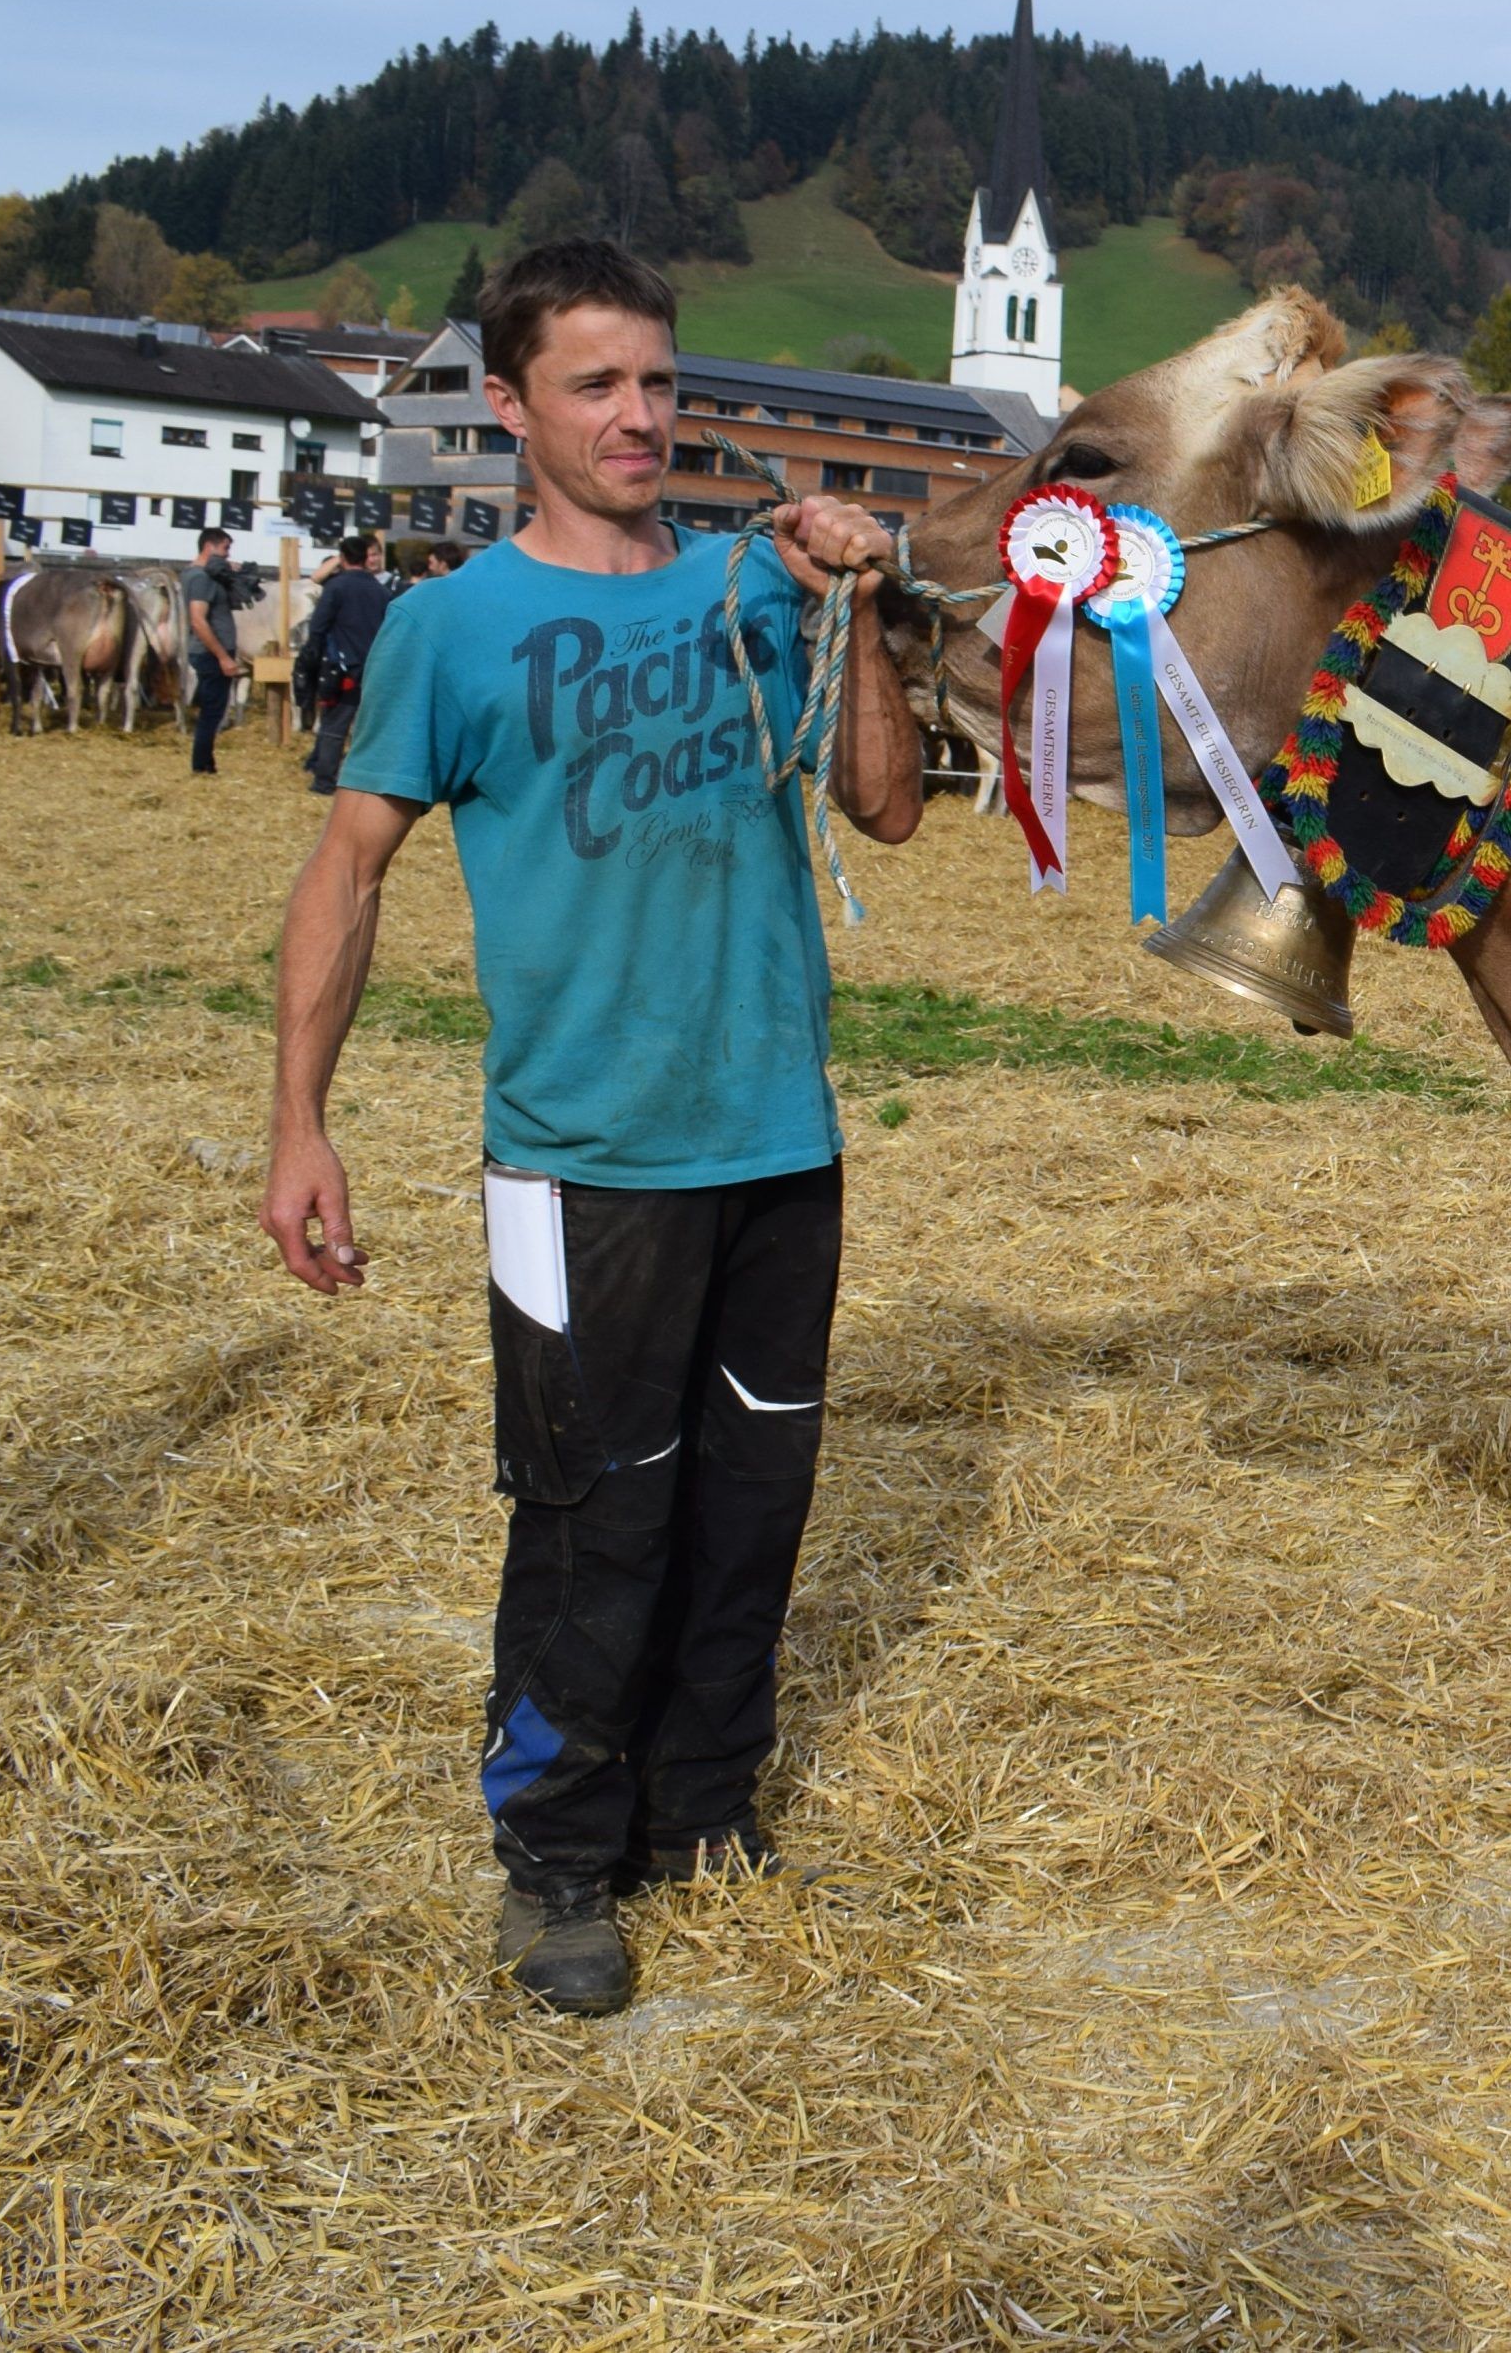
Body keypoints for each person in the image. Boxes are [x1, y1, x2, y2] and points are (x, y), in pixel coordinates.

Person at [258, 238, 926, 2018]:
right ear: (509, 403)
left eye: (658, 381)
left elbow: (887, 806)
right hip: (577, 1158)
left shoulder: (749, 587)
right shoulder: (450, 629)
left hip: (777, 1136)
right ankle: (555, 1855)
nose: (640, 416)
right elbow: (347, 873)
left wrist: (852, 603)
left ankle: (705, 1814)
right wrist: (297, 1126)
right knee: (589, 1511)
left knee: (753, 1496)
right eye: (595, 385)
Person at [295, 531, 391, 797]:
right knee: (368, 728)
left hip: (342, 668)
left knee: (334, 726)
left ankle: (324, 780)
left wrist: (310, 662)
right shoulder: (381, 591)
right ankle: (366, 781)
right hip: (374, 668)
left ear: (344, 558)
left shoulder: (336, 587)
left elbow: (318, 627)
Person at [182, 527, 249, 774]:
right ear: (209, 547)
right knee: (212, 712)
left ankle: (206, 763)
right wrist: (222, 657)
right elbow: (198, 620)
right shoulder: (200, 579)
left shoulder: (198, 574)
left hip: (211, 652)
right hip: (210, 653)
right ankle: (202, 767)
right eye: (225, 548)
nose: (227, 554)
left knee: (212, 710)